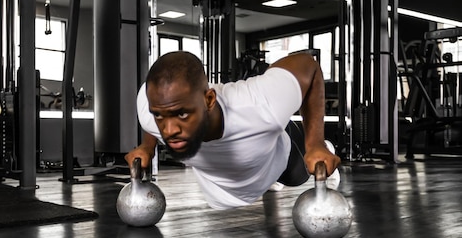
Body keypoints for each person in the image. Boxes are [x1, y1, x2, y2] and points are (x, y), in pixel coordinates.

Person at [125, 51, 341, 210]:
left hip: (275, 155)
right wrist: (147, 146)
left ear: (209, 100)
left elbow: (308, 65)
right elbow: (156, 114)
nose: (169, 130)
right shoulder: (151, 111)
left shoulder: (260, 104)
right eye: (160, 116)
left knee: (296, 175)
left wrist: (316, 144)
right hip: (236, 172)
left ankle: (327, 149)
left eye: (182, 114)